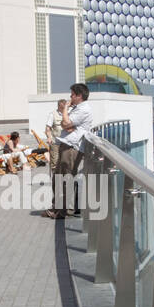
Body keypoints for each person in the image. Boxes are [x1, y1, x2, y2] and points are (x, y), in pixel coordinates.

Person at [42, 83, 93, 220]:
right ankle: (56, 207)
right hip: (66, 145)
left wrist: (65, 109)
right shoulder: (77, 108)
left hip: (72, 147)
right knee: (57, 178)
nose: (70, 97)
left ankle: (63, 212)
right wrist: (67, 122)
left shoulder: (84, 109)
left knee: (66, 179)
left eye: (72, 94)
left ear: (79, 96)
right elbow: (66, 126)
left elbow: (65, 124)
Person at [46, 99, 67, 172]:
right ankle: (56, 181)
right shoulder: (52, 114)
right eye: (62, 107)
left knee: (65, 162)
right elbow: (48, 128)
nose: (64, 109)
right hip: (55, 142)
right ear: (58, 106)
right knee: (55, 162)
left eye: (65, 107)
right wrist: (49, 137)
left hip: (66, 142)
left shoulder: (68, 114)